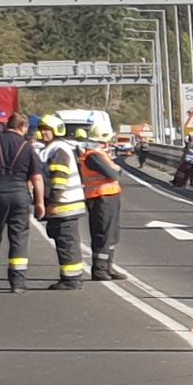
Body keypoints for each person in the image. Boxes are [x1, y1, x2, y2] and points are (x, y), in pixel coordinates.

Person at [0, 112, 44, 292]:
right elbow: (37, 178)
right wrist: (39, 203)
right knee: (18, 238)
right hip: (20, 196)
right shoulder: (27, 147)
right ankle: (17, 283)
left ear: (7, 125)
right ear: (24, 128)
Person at [34, 115, 91, 289]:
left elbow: (59, 180)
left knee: (67, 242)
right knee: (64, 241)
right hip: (64, 205)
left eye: (47, 129)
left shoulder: (58, 149)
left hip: (64, 205)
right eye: (42, 129)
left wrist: (52, 204)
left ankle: (72, 279)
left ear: (56, 131)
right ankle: (69, 277)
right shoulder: (51, 149)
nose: (44, 133)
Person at [79, 132, 126, 280]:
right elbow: (113, 174)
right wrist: (115, 169)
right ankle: (99, 269)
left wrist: (116, 169)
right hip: (100, 197)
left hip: (110, 196)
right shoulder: (93, 156)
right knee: (103, 233)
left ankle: (108, 266)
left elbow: (117, 172)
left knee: (112, 233)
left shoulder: (100, 155)